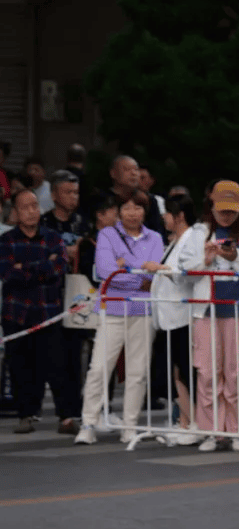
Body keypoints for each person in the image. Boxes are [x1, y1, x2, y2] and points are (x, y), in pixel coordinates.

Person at [179, 181, 239, 451]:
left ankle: (238, 431)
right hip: (206, 309)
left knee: (237, 371)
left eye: (231, 210)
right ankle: (211, 431)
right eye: (221, 209)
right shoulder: (198, 232)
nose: (226, 215)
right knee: (207, 371)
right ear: (211, 205)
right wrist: (205, 261)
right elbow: (182, 269)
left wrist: (233, 258)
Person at [74, 191, 165, 445]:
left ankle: (130, 426)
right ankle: (89, 423)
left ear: (145, 212)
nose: (132, 213)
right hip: (112, 309)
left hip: (143, 310)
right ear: (118, 211)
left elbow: (153, 276)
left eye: (138, 208)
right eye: (126, 207)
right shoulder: (107, 234)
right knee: (99, 368)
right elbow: (106, 271)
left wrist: (124, 266)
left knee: (138, 372)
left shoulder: (155, 237)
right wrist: (138, 271)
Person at [0, 190, 71, 434]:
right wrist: (42, 267)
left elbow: (59, 267)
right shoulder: (6, 240)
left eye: (34, 206)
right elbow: (8, 273)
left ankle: (66, 417)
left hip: (48, 312)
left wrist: (25, 268)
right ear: (16, 212)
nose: (31, 211)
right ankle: (25, 414)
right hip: (16, 314)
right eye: (25, 207)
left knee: (56, 366)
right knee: (20, 367)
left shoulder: (52, 237)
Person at [42, 169, 91, 434]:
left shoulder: (82, 222)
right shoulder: (44, 224)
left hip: (78, 296)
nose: (73, 197)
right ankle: (64, 413)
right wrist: (65, 252)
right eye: (67, 192)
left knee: (76, 356)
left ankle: (76, 409)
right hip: (51, 297)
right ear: (53, 195)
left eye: (76, 192)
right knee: (56, 356)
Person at [151, 194, 199, 445]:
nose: (164, 217)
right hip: (169, 316)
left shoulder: (191, 238)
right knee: (175, 371)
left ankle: (194, 422)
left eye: (168, 213)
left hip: (182, 316)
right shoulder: (176, 240)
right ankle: (185, 421)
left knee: (183, 370)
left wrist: (160, 270)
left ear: (179, 215)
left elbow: (188, 273)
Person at [97, 156, 165, 235]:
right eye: (127, 169)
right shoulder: (101, 199)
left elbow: (157, 231)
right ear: (113, 173)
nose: (133, 173)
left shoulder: (148, 200)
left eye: (136, 170)